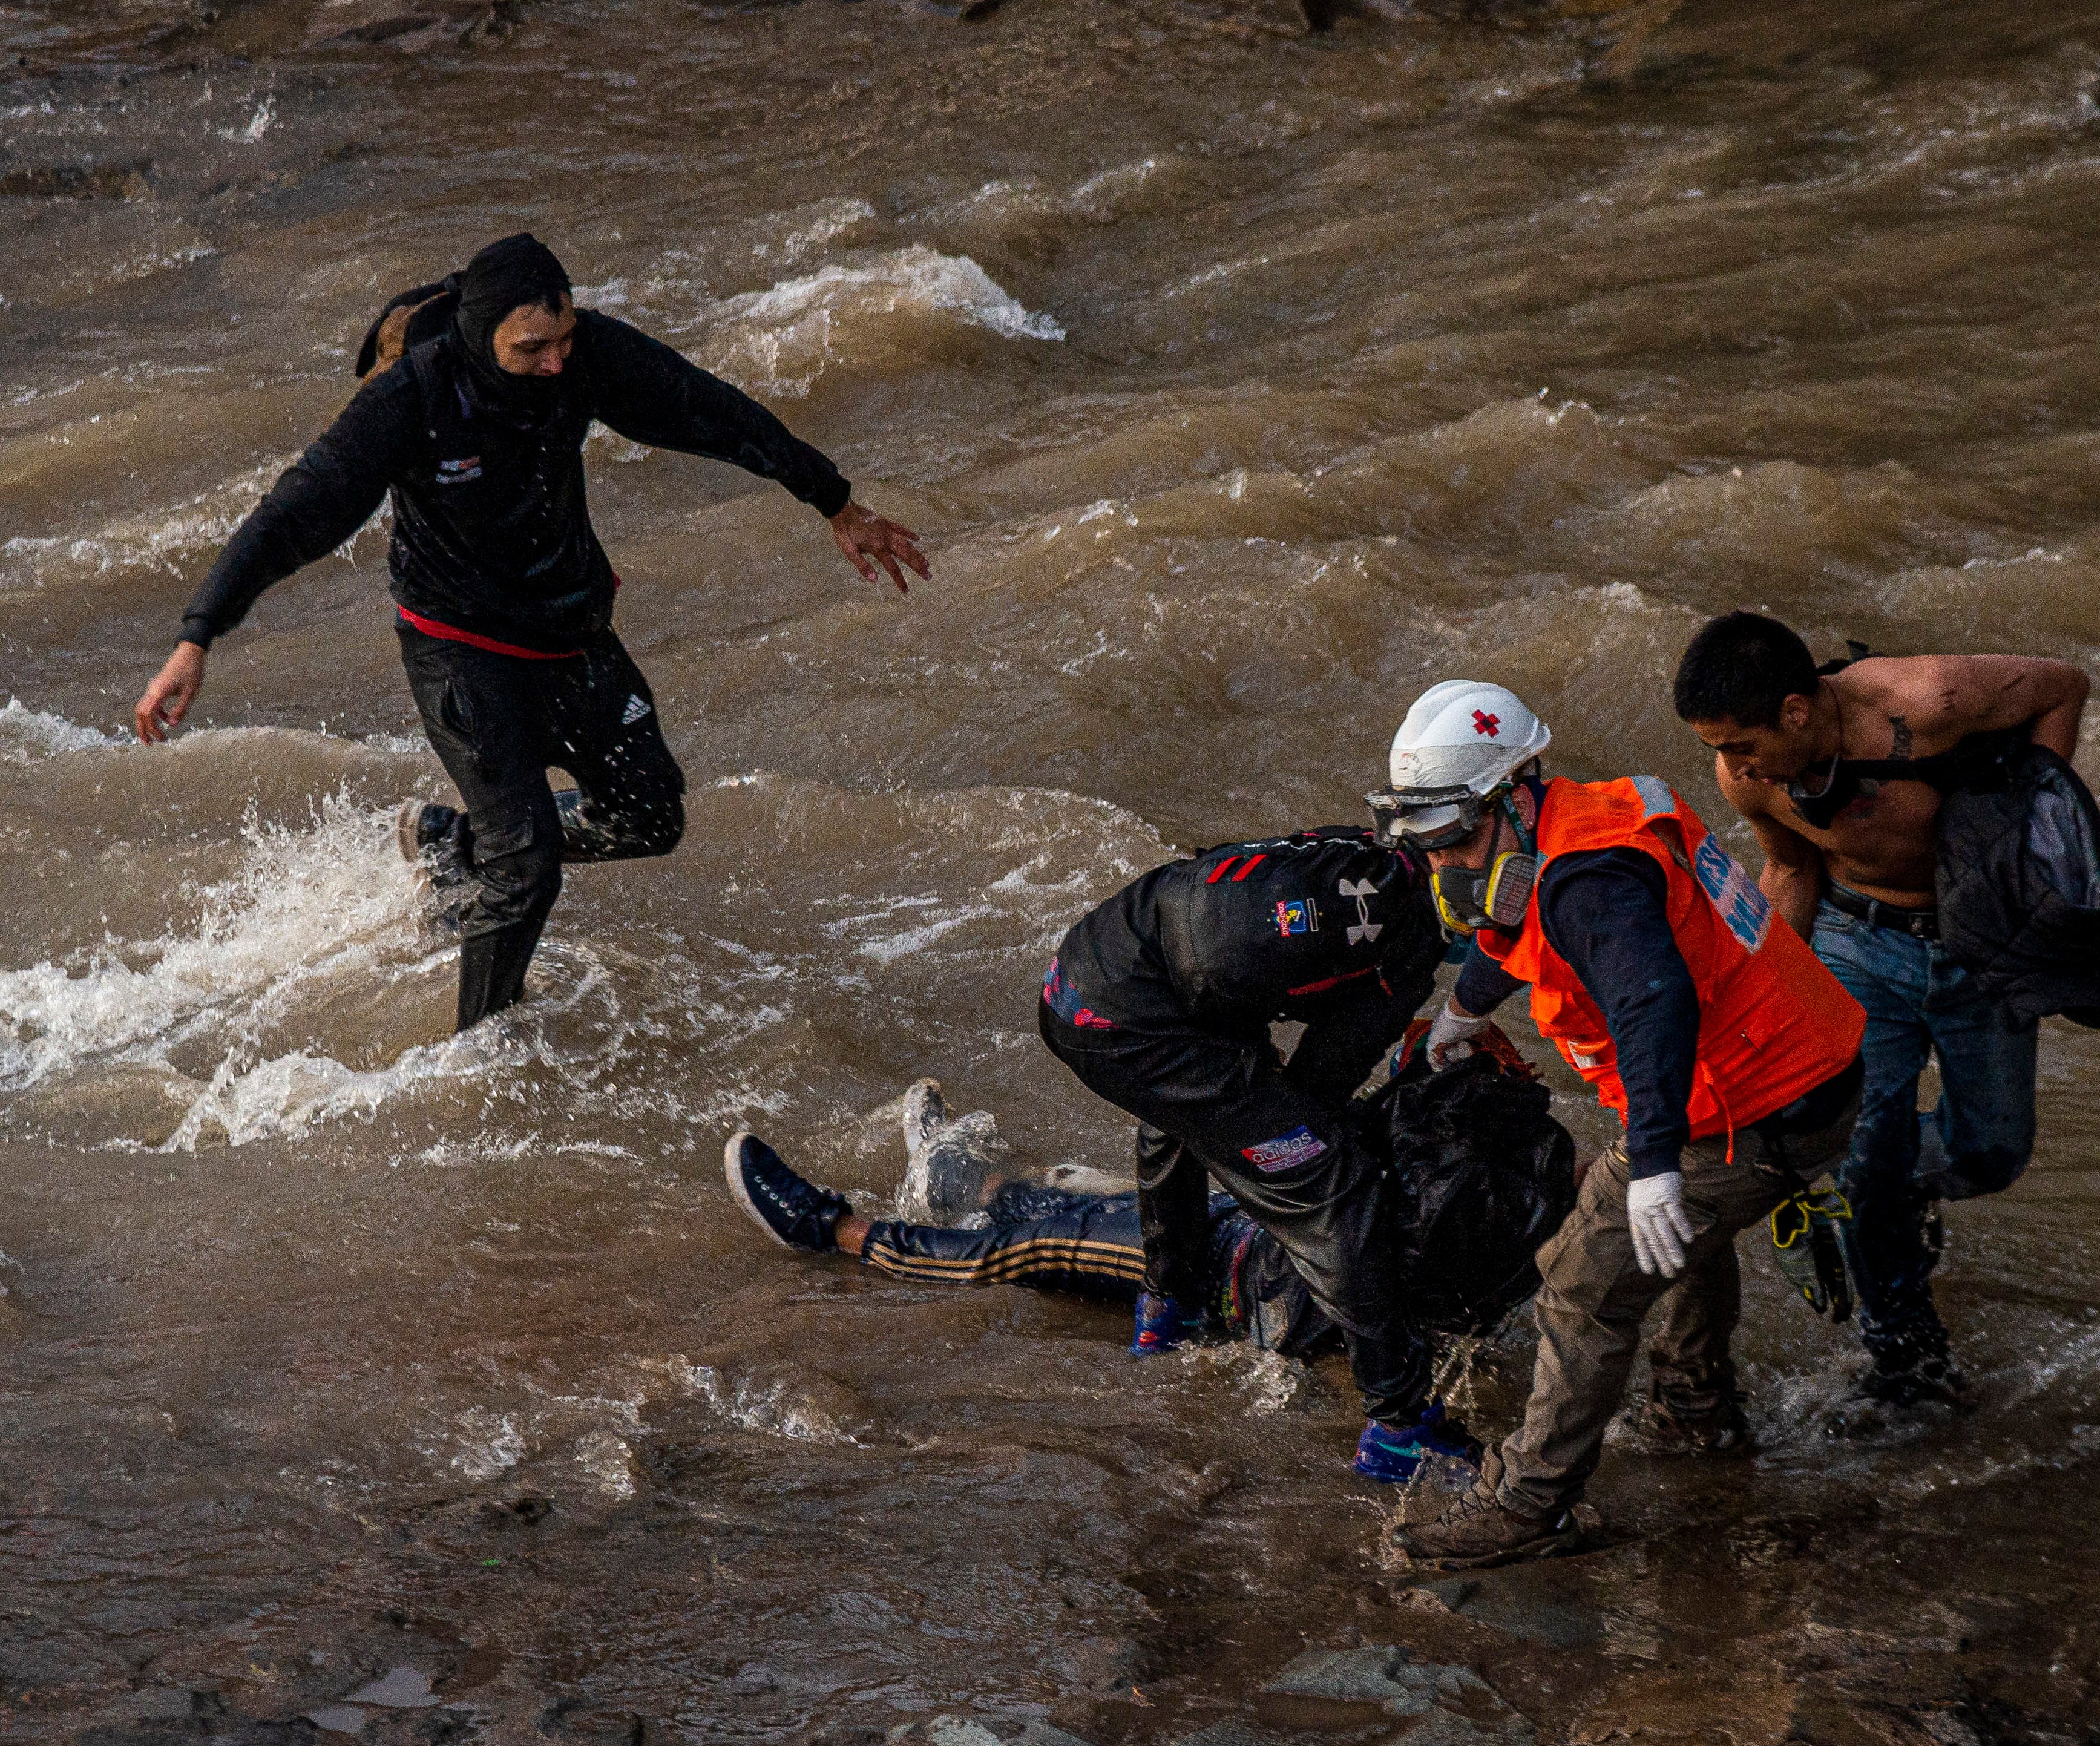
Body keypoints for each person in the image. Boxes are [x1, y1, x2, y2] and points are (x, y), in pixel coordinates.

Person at [129, 232, 930, 1032]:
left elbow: (710, 412)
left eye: (566, 340)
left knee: (650, 814)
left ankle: (448, 842)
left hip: (570, 633)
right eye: (532, 348)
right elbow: (289, 519)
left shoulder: (584, 358)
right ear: (481, 338)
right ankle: (480, 1051)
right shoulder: (412, 401)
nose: (556, 364)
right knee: (529, 866)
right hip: (461, 650)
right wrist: (199, 634)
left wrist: (834, 502)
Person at [1376, 680, 1867, 1570]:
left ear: (1515, 794)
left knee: (1581, 1278)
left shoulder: (1588, 883)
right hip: (1811, 1064)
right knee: (1679, 1238)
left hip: (1753, 1100)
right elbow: (1508, 924)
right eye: (1426, 839)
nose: (1444, 861)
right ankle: (1697, 1413)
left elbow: (1653, 1003)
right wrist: (1466, 1011)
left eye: (1454, 836)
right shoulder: (1576, 820)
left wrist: (1653, 1161)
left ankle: (1530, 1504)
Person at [1671, 612, 2092, 1412]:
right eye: (1718, 751)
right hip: (1855, 944)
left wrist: (2030, 823)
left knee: (1992, 1151)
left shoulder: (1930, 700)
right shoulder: (1752, 779)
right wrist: (1748, 1009)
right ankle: (1906, 1356)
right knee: (1869, 1157)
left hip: (1980, 942)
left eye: (1739, 745)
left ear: (1797, 711)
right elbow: (1790, 868)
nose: (1732, 768)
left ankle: (1887, 1191)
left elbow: (2064, 686)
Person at [1031, 821, 1466, 1482]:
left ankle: (1166, 1308)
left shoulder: (1350, 849)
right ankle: (1400, 1427)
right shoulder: (1409, 946)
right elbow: (1320, 1085)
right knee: (1332, 1181)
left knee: (1184, 1110)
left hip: (1086, 970)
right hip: (1137, 1019)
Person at [721, 1046, 1575, 1360]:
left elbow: (1364, 1147)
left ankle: (826, 1227)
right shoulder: (1532, 1192)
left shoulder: (1445, 1186)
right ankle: (965, 1183)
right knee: (1096, 1201)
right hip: (1274, 1251)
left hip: (1244, 1275)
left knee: (1036, 1249)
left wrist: (1431, 1053)